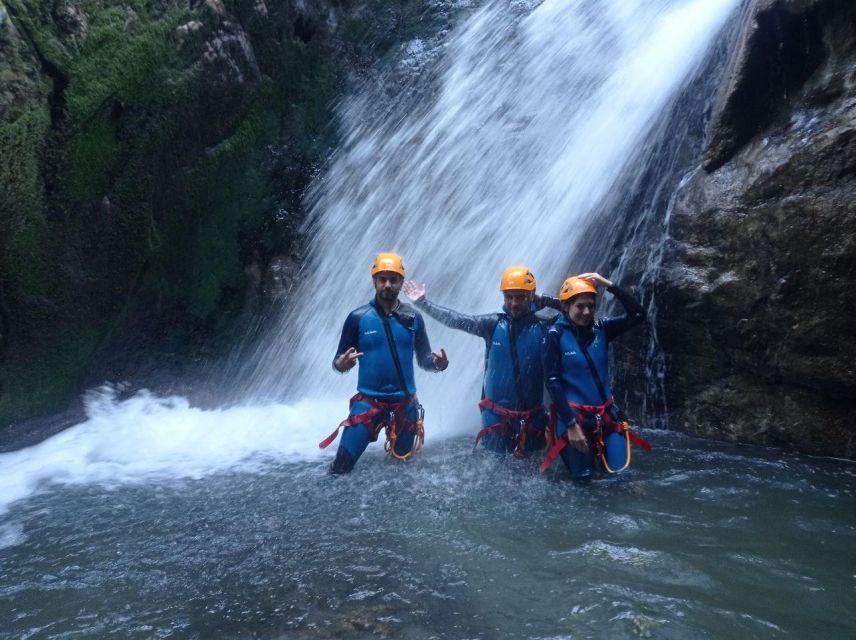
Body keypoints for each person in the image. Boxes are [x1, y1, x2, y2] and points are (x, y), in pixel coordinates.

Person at [403, 266, 560, 457]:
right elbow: (457, 320)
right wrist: (423, 303)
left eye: (520, 297)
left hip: (533, 419)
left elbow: (574, 311)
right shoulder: (492, 324)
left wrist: (546, 300)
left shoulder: (545, 326)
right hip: (497, 418)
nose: (514, 303)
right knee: (495, 471)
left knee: (532, 468)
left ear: (531, 296)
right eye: (509, 297)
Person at [321, 253, 449, 474]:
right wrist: (342, 364)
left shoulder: (413, 318)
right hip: (369, 403)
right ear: (374, 281)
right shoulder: (357, 318)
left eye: (393, 279)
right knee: (339, 470)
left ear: (401, 282)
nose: (388, 285)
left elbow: (424, 360)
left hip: (405, 405)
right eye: (382, 279)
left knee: (401, 473)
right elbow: (337, 361)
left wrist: (438, 364)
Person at [540, 273, 651, 482]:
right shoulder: (554, 335)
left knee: (621, 478)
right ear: (565, 307)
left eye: (591, 306)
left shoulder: (602, 329)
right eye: (580, 306)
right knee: (584, 480)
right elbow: (552, 382)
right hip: (574, 419)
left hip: (607, 416)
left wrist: (609, 285)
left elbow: (638, 315)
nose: (586, 312)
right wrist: (572, 424)